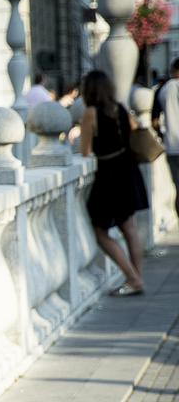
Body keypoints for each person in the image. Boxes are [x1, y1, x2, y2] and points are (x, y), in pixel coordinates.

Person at [79, 70, 148, 296]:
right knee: (129, 229)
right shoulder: (119, 108)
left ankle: (132, 279)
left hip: (108, 175)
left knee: (100, 231)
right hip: (128, 170)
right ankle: (136, 279)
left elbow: (85, 150)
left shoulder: (91, 113)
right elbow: (135, 130)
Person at [151, 57, 179, 221]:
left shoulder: (162, 89)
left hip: (172, 147)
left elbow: (154, 121)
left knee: (178, 187)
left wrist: (162, 135)